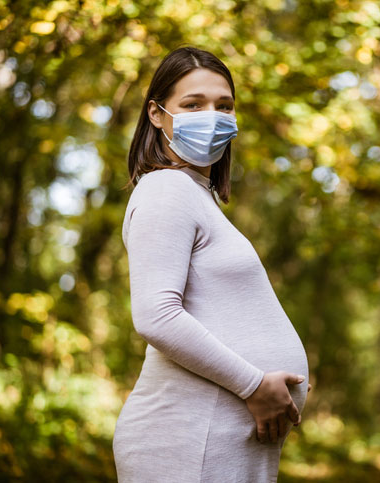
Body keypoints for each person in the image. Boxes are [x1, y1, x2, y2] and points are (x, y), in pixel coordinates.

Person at [113, 45, 311, 482]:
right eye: (193, 104)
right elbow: (156, 316)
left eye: (225, 106)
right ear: (157, 114)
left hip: (212, 438)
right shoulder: (166, 189)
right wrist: (254, 385)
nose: (213, 116)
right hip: (185, 440)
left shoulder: (195, 195)